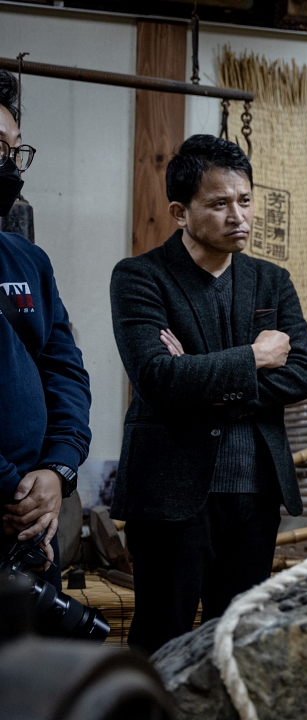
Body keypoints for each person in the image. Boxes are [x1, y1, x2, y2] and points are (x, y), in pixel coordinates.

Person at [109, 134, 307, 655]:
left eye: (245, 200)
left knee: (240, 643)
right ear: (180, 212)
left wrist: (200, 373)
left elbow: (303, 374)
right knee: (162, 640)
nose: (238, 216)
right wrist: (253, 356)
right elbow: (158, 378)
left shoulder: (271, 281)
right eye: (219, 204)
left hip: (255, 490)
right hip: (170, 492)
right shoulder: (140, 277)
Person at [0, 69, 92, 589]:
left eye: (16, 151)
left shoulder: (28, 260)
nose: (10, 166)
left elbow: (65, 371)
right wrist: (13, 491)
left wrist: (58, 470)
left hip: (33, 523)